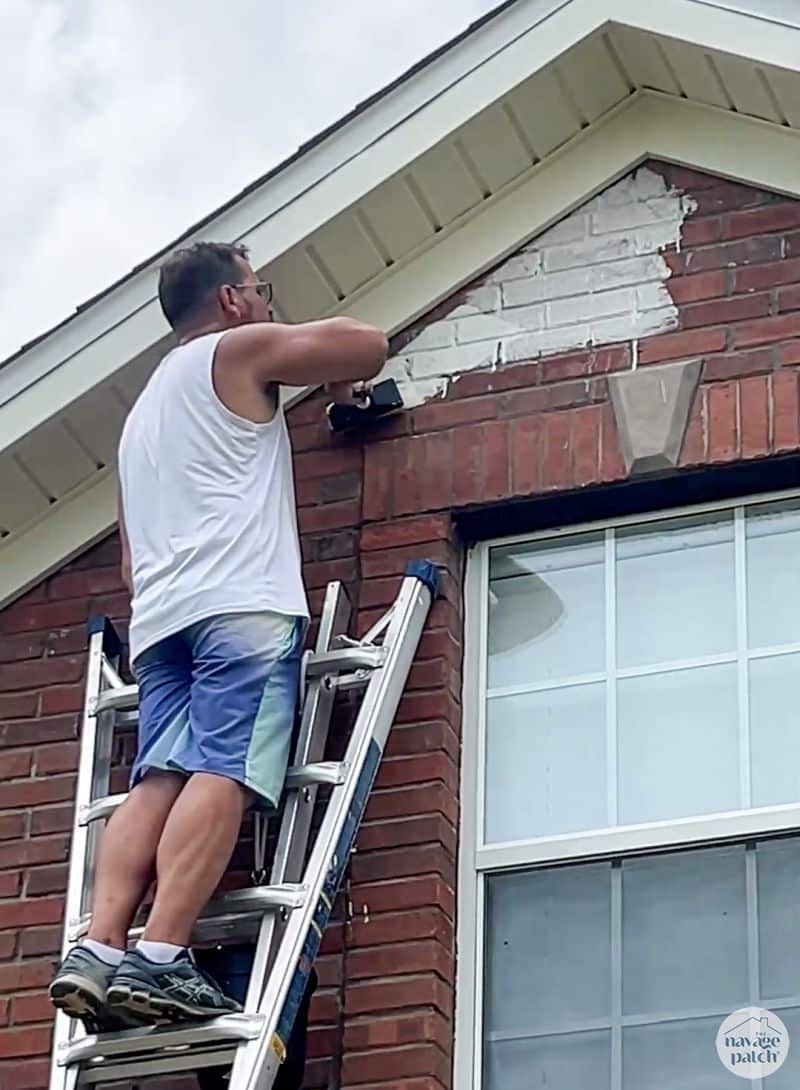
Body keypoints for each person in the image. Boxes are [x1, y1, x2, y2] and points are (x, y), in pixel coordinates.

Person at [49, 241, 388, 1030]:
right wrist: (335, 373)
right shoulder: (235, 350)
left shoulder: (140, 424)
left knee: (158, 776)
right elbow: (367, 341)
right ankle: (162, 956)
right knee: (226, 767)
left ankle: (99, 947)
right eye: (259, 290)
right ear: (232, 301)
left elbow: (132, 563)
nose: (266, 304)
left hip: (162, 622)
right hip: (239, 607)